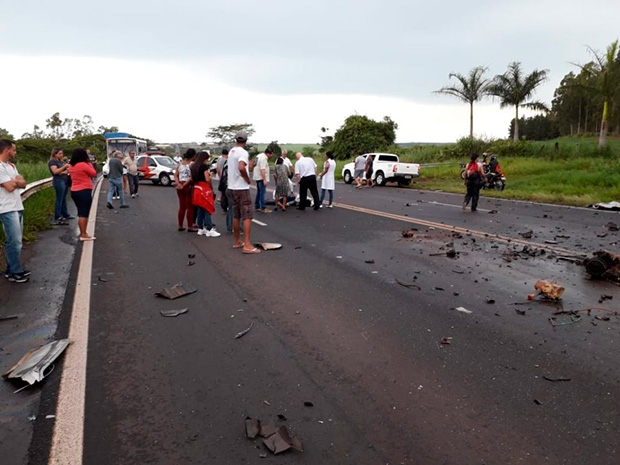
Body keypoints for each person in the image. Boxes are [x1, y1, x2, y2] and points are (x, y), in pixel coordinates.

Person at [0, 139, 29, 282]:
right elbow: (10, 187)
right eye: (14, 150)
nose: (15, 152)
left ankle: (11, 270)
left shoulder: (11, 166)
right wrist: (16, 181)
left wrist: (16, 181)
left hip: (17, 206)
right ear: (7, 150)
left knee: (15, 240)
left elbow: (23, 183)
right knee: (15, 241)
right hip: (6, 208)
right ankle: (15, 271)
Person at [228, 130, 260, 254]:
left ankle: (237, 241)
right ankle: (247, 244)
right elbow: (241, 167)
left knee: (236, 214)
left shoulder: (232, 151)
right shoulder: (243, 152)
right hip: (241, 187)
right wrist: (247, 179)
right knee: (247, 216)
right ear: (246, 141)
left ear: (236, 140)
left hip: (231, 187)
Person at [68, 148, 96, 241]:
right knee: (83, 213)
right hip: (84, 190)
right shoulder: (84, 165)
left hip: (74, 190)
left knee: (80, 212)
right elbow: (93, 173)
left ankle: (83, 232)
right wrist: (89, 163)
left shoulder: (71, 166)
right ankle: (83, 234)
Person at [190, 151, 220, 237]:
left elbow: (192, 179)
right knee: (207, 209)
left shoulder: (193, 166)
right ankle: (209, 229)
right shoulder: (204, 167)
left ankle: (200, 228)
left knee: (200, 210)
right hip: (204, 189)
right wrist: (210, 175)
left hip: (196, 189)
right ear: (204, 159)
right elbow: (207, 179)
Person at [48, 147, 73, 224]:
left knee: (63, 198)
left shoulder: (60, 161)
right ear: (55, 154)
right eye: (59, 154)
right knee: (59, 198)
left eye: (62, 153)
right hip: (59, 181)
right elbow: (55, 171)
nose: (61, 155)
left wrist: (65, 171)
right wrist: (64, 167)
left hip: (64, 179)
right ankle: (58, 215)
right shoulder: (52, 162)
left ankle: (65, 214)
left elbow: (61, 171)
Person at [174, 149, 196, 232]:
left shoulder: (180, 164)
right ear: (193, 156)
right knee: (190, 207)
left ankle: (180, 225)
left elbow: (176, 175)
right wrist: (185, 184)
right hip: (188, 186)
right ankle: (190, 226)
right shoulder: (192, 165)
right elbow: (192, 177)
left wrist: (178, 183)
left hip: (180, 185)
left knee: (182, 206)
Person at [253, 148, 272, 213]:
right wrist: (264, 179)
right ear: (268, 153)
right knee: (262, 193)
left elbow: (254, 164)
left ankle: (257, 205)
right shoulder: (263, 158)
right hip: (261, 177)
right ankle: (263, 207)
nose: (271, 156)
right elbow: (262, 169)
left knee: (259, 192)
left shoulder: (258, 156)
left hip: (256, 176)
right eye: (271, 154)